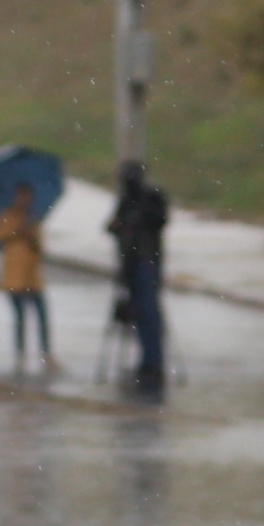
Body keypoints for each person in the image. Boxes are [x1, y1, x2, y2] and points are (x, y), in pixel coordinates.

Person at [105, 161, 171, 399]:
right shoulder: (126, 201)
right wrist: (120, 225)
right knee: (134, 312)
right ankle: (145, 359)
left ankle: (153, 362)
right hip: (129, 262)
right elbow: (111, 226)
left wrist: (140, 216)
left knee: (148, 312)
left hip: (147, 262)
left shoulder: (152, 197)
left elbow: (160, 220)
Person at [0, 178, 54, 373]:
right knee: (20, 317)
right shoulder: (7, 216)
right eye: (21, 196)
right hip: (13, 277)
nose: (23, 201)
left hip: (32, 277)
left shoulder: (33, 221)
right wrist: (16, 231)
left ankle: (46, 353)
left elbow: (40, 250)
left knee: (41, 314)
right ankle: (20, 353)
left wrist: (30, 235)